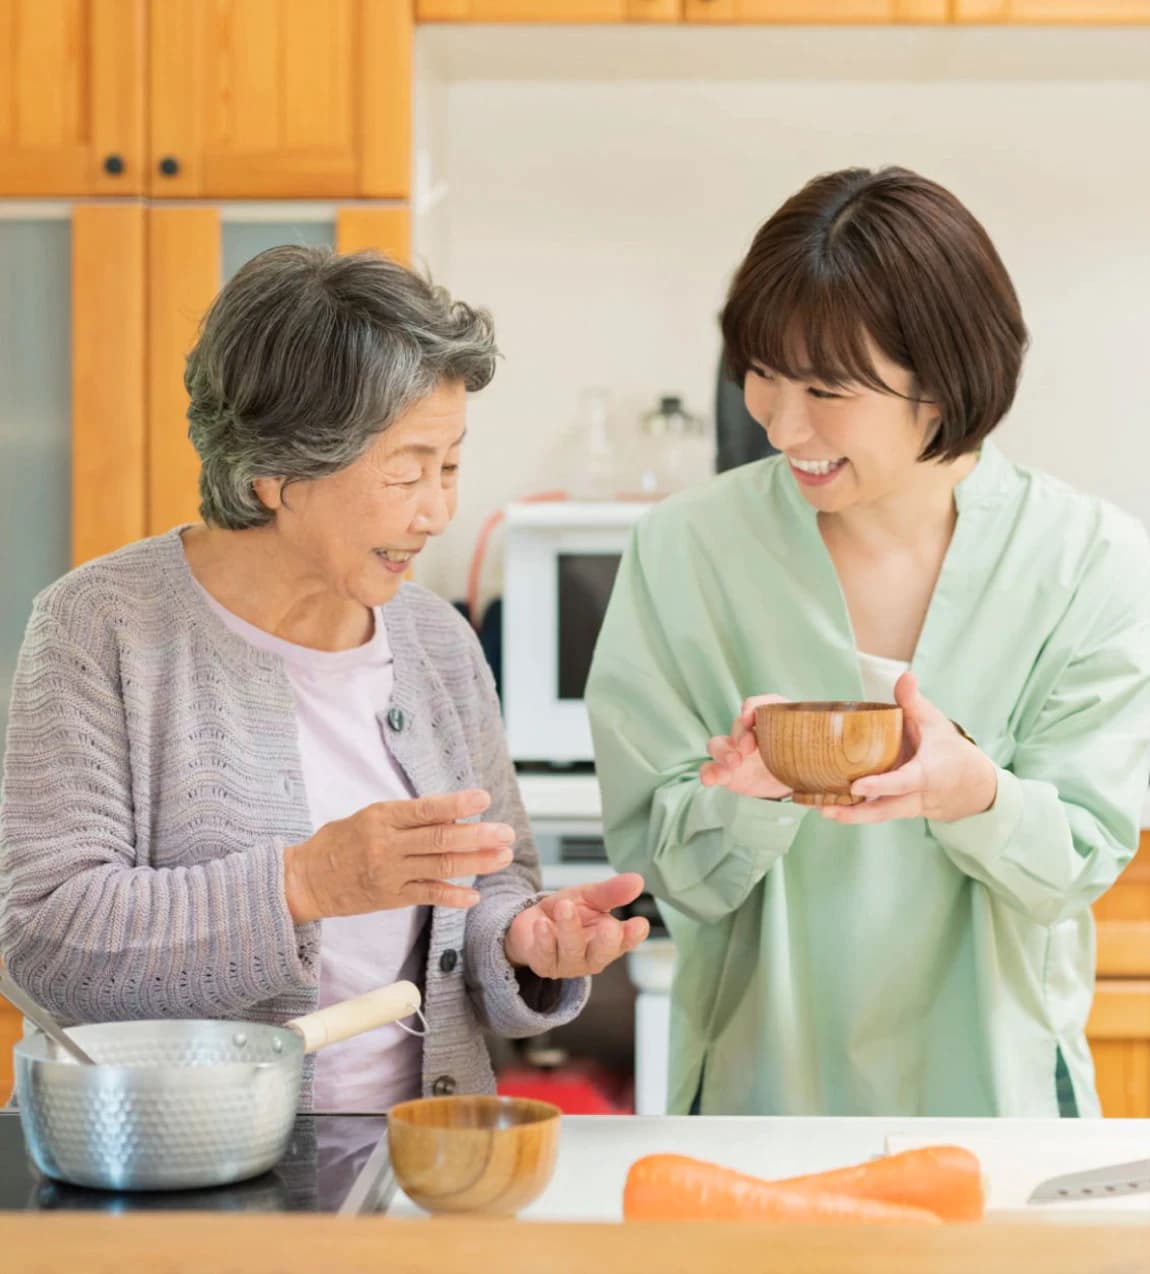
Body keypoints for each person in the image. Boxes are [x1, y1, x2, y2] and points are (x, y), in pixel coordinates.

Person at [0, 246, 648, 1112]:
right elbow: (46, 945)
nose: (438, 510)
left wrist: (526, 939)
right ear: (276, 472)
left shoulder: (439, 644)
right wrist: (303, 883)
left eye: (449, 465)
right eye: (406, 469)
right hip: (179, 1174)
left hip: (414, 1163)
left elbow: (491, 886)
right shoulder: (100, 627)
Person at [586, 167, 1150, 1118]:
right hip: (754, 1104)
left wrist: (977, 793)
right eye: (762, 373)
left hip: (996, 1098)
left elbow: (1081, 862)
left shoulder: (1087, 560)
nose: (781, 421)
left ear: (943, 378)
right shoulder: (686, 550)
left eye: (827, 388)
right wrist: (748, 800)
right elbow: (666, 872)